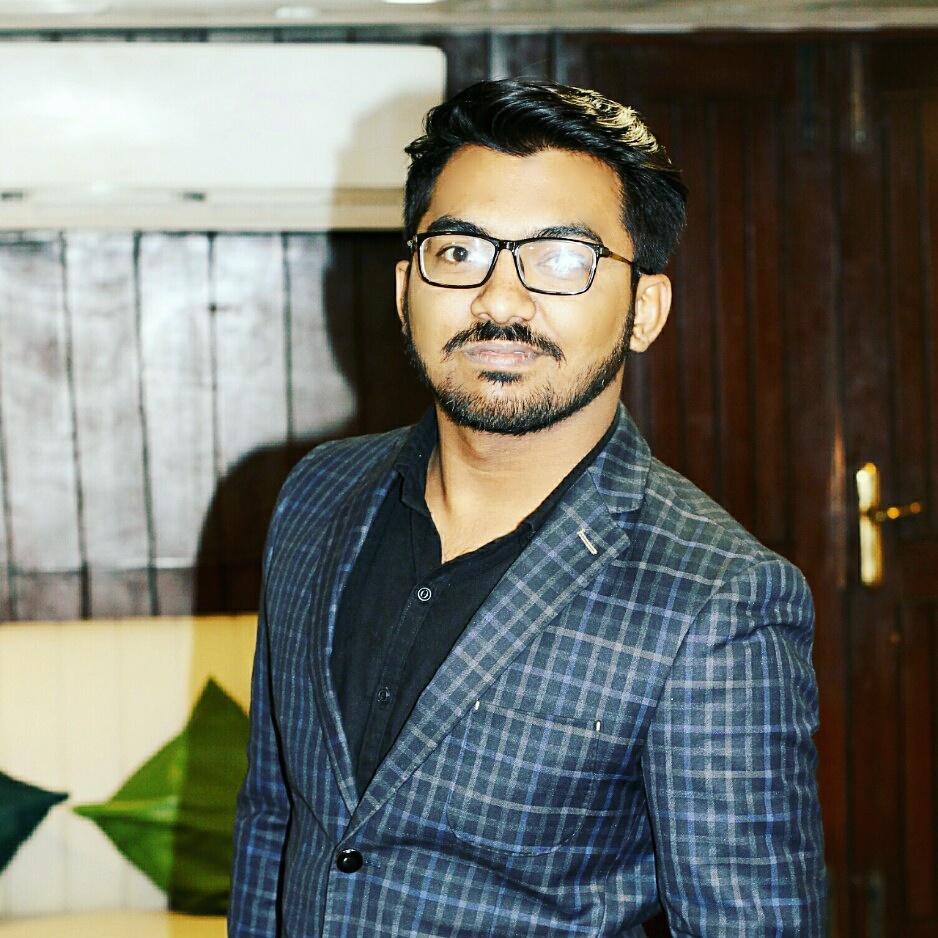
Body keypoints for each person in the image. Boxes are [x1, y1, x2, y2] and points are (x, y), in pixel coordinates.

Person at [228, 78, 826, 937]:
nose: (500, 302)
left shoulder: (717, 599)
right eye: (459, 251)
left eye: (560, 259)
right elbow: (274, 815)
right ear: (404, 287)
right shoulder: (317, 494)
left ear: (644, 310)